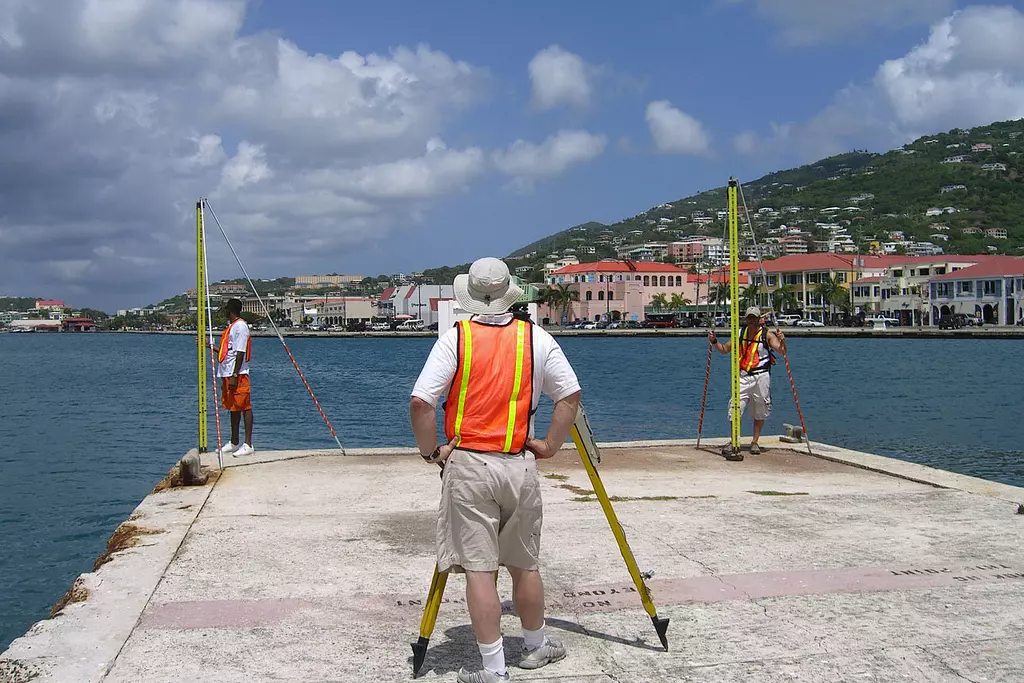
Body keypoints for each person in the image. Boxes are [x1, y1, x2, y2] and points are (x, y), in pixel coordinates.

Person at [410, 257, 582, 683]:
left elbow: (421, 404)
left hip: (469, 464)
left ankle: (493, 669)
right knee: (525, 563)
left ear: (469, 297)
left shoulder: (457, 339)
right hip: (518, 464)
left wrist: (433, 453)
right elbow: (569, 396)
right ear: (510, 293)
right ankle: (536, 645)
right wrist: (549, 446)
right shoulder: (536, 338)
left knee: (479, 570)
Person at [707, 306, 786, 460]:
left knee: (760, 408)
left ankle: (755, 441)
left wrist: (783, 341)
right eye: (748, 318)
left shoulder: (767, 335)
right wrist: (715, 341)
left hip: (761, 375)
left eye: (753, 318)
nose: (751, 321)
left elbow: (782, 351)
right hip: (742, 376)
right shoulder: (739, 334)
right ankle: (734, 439)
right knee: (735, 407)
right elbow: (724, 349)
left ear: (758, 319)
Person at [217, 298, 254, 457]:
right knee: (233, 407)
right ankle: (234, 441)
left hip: (237, 374)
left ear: (230, 310)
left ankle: (248, 444)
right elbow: (228, 352)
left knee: (244, 406)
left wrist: (234, 374)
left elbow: (240, 352)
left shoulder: (240, 326)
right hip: (227, 372)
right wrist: (209, 346)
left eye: (226, 309)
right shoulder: (231, 327)